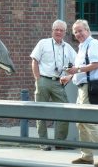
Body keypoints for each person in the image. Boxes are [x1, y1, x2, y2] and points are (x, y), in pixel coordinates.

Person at [61, 19, 98, 167]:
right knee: (81, 122)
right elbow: (81, 68)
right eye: (76, 32)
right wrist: (70, 76)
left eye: (80, 30)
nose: (78, 34)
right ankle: (86, 155)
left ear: (88, 30)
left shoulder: (93, 44)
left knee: (88, 120)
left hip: (89, 87)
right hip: (83, 87)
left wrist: (76, 70)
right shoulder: (82, 46)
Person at [30, 19, 76, 151]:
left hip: (58, 82)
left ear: (65, 32)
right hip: (43, 80)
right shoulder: (43, 43)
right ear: (52, 30)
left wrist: (70, 76)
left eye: (61, 30)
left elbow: (78, 64)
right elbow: (34, 61)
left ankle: (60, 142)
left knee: (65, 110)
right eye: (56, 29)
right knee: (40, 112)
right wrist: (38, 79)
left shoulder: (68, 47)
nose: (59, 32)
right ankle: (43, 143)